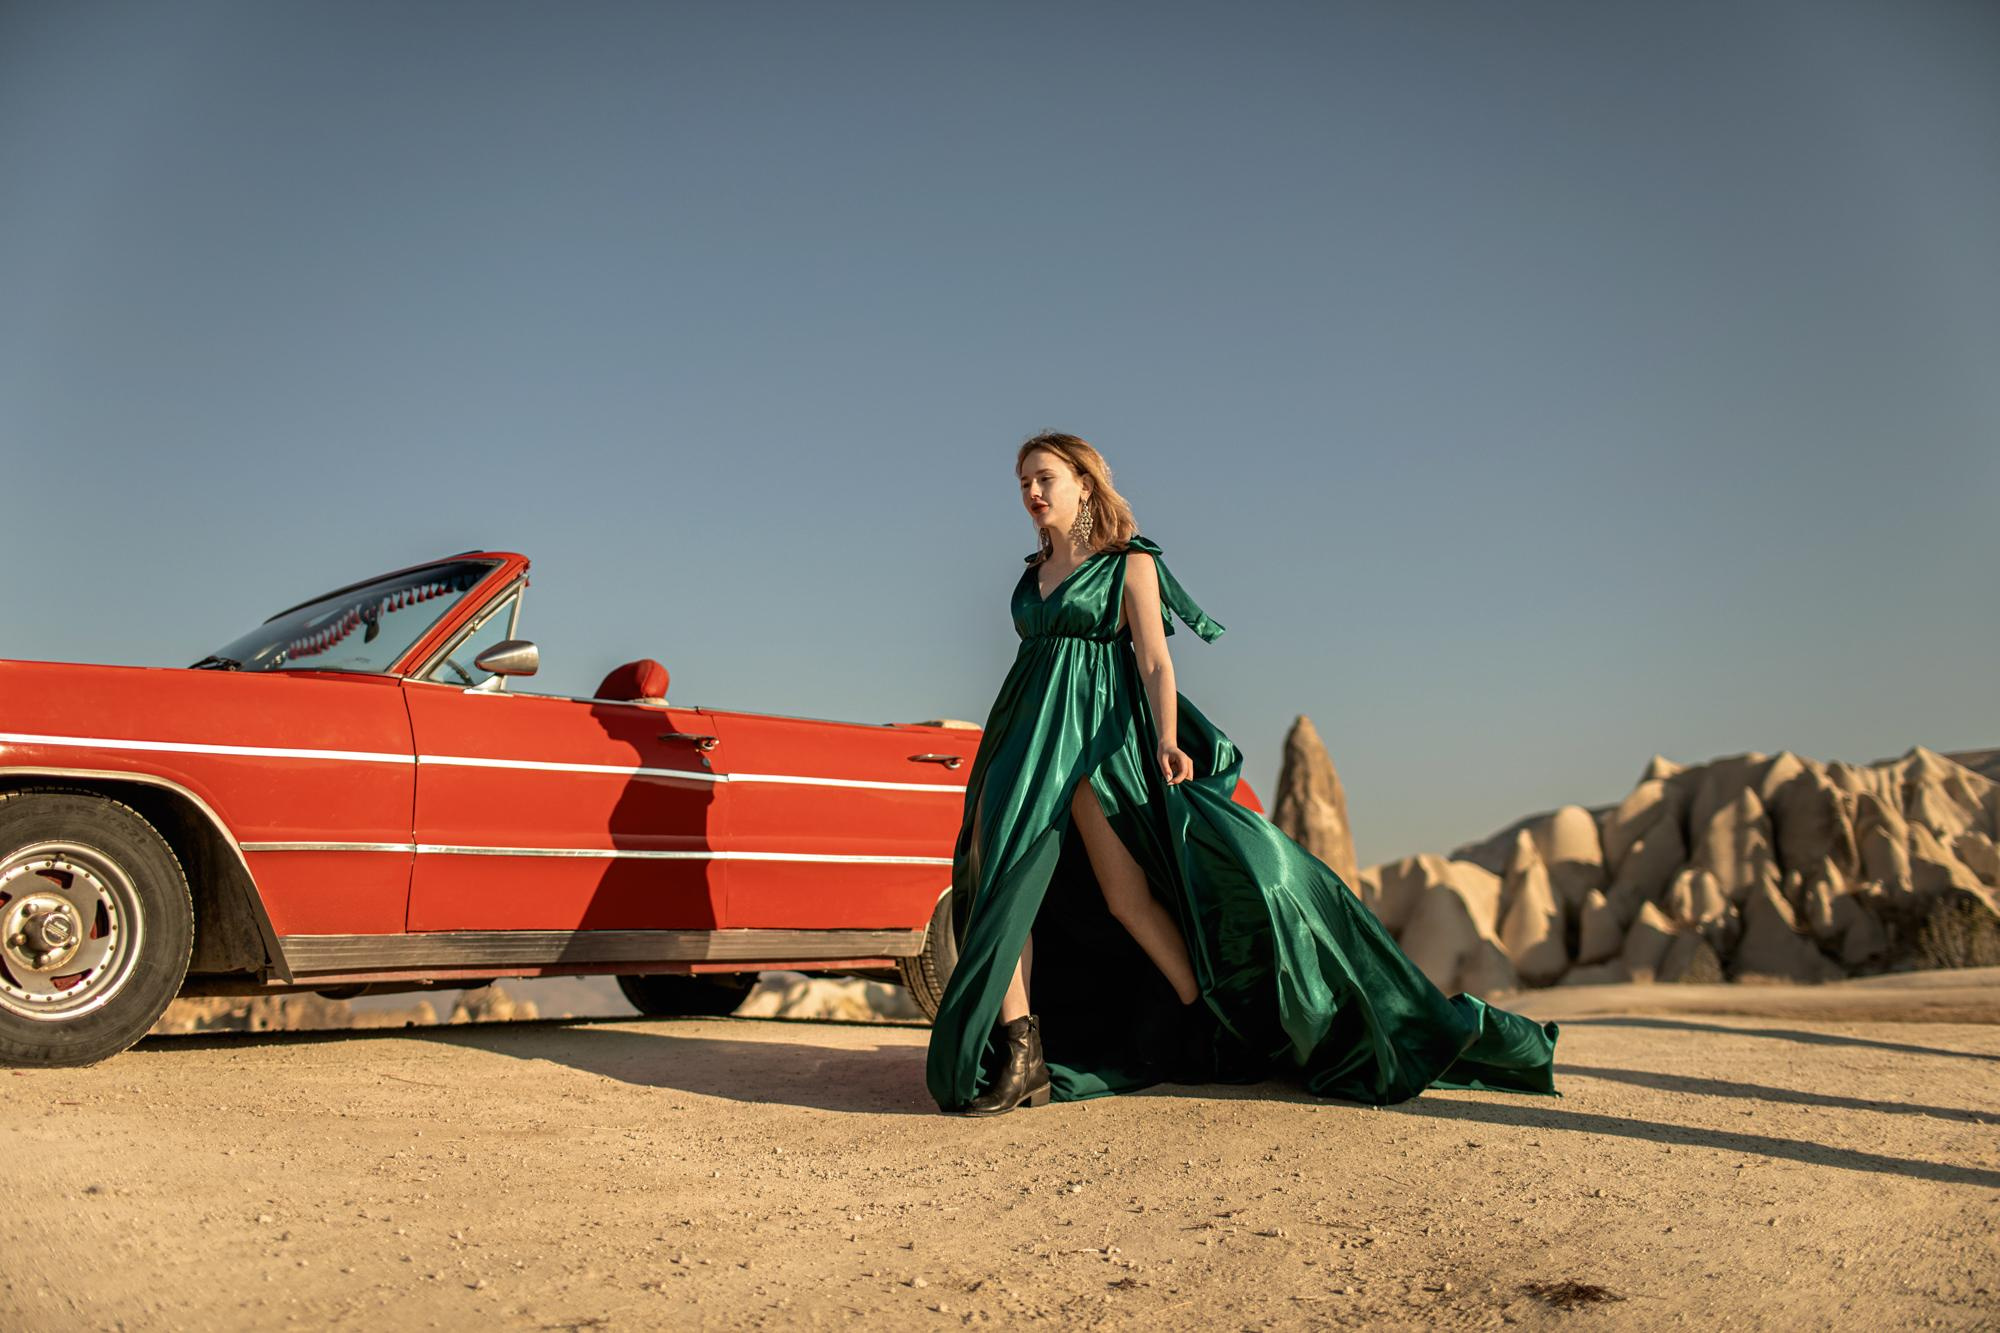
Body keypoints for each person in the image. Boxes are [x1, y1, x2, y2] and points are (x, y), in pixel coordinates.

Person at [924, 432, 1561, 1116]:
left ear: (1084, 481)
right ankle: (1023, 1051)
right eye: (1022, 481)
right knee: (1005, 892)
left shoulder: (1128, 564)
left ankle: (1207, 1022)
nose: (1031, 492)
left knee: (1125, 896)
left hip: (1097, 741)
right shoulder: (1033, 572)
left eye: (1044, 476)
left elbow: (1156, 662)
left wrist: (1168, 737)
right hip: (1024, 738)